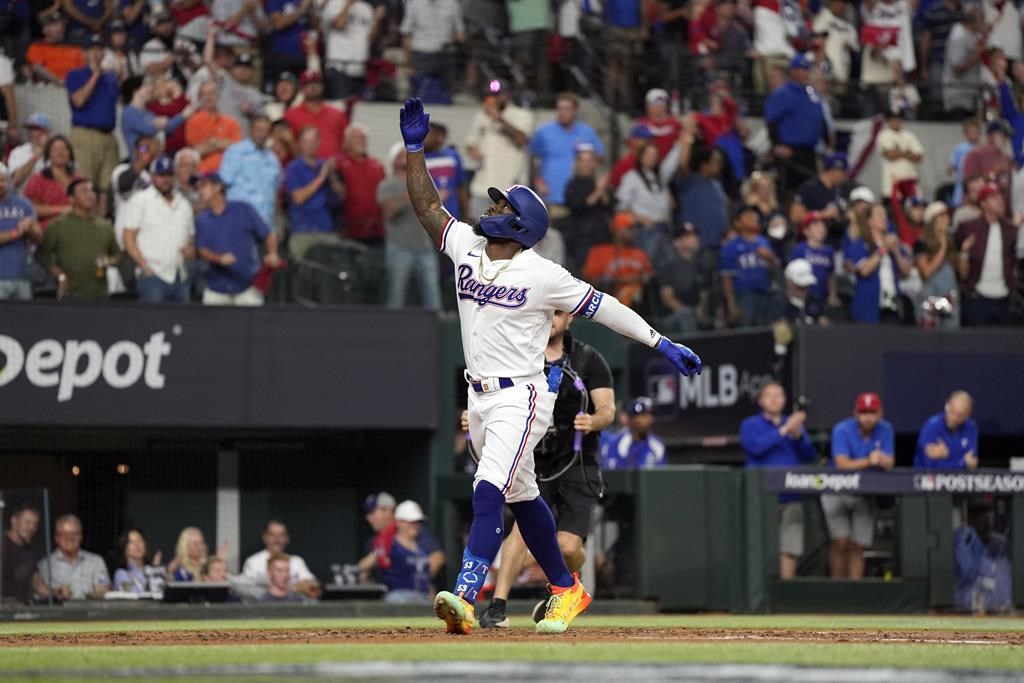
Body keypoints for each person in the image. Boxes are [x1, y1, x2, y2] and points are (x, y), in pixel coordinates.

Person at [399, 96, 701, 635]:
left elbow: (606, 308)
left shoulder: (544, 274)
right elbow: (427, 209)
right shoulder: (467, 246)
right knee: (523, 495)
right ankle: (566, 589)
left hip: (523, 395)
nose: (489, 208)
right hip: (480, 394)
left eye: (500, 206)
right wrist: (415, 150)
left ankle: (467, 592)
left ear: (517, 225)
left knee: (487, 486)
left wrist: (660, 342)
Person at [478, 310, 614, 628]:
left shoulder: (589, 359)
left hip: (578, 462)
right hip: (533, 459)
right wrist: (477, 416)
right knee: (519, 532)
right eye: (547, 311)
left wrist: (594, 420)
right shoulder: (519, 355)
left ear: (570, 319)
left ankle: (566, 584)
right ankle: (498, 606)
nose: (552, 318)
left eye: (559, 313)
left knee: (569, 546)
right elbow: (494, 395)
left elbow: (607, 408)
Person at [740, 382, 816, 579]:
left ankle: (785, 593)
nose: (774, 399)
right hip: (760, 496)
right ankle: (757, 594)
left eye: (779, 395)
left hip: (790, 494)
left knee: (789, 546)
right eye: (769, 395)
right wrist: (783, 430)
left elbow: (809, 456)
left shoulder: (793, 425)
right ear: (761, 400)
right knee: (758, 547)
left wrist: (798, 436)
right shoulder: (751, 424)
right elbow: (755, 448)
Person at [822, 392, 894, 580]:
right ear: (856, 413)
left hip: (864, 492)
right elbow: (842, 464)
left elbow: (889, 461)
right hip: (836, 489)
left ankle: (855, 591)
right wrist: (870, 460)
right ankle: (837, 591)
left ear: (879, 414)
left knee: (858, 545)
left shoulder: (886, 429)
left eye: (872, 412)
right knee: (841, 542)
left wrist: (882, 460)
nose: (868, 417)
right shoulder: (842, 429)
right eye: (863, 412)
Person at [195, 172, 280, 305]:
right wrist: (219, 259)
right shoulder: (202, 220)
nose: (200, 191)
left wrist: (272, 253)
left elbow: (268, 234)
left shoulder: (243, 210)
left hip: (248, 287)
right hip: (216, 288)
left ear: (217, 187)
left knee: (254, 325)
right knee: (212, 325)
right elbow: (202, 251)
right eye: (198, 187)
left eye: (203, 186)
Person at [122, 155, 195, 303]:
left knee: (181, 324)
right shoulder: (141, 200)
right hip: (153, 275)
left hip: (180, 274)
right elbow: (128, 237)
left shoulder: (183, 203)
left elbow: (190, 237)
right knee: (153, 325)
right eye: (161, 175)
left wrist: (190, 250)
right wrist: (144, 265)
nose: (165, 179)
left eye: (169, 175)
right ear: (152, 176)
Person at [35, 179, 119, 301]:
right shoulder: (57, 225)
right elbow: (41, 255)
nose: (90, 195)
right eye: (84, 191)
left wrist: (109, 260)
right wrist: (60, 275)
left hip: (100, 293)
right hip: (70, 294)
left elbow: (118, 255)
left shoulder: (105, 227)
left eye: (92, 191)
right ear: (71, 199)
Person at [379, 144, 440, 310]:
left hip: (425, 246)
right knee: (397, 295)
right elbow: (388, 212)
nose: (405, 157)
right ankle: (393, 332)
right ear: (393, 160)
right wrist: (408, 196)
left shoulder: (423, 182)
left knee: (432, 295)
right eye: (400, 155)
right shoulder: (388, 184)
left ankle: (436, 331)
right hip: (400, 247)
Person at [66, 34, 121, 219]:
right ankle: (85, 223)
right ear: (85, 53)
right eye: (92, 50)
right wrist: (96, 74)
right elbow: (79, 100)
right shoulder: (75, 74)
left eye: (99, 50)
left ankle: (101, 223)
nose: (97, 54)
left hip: (108, 135)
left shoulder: (111, 78)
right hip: (85, 133)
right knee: (85, 183)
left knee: (106, 186)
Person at [464, 80, 534, 219]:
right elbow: (470, 143)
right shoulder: (481, 116)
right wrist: (474, 151)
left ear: (507, 95)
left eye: (498, 94)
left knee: (507, 232)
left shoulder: (522, 115)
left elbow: (522, 139)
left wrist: (498, 118)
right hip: (482, 184)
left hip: (509, 186)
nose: (494, 98)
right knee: (479, 230)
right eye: (491, 95)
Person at [528, 92, 604, 213]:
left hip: (580, 197)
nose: (562, 112)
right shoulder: (544, 132)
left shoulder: (587, 132)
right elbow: (531, 157)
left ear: (575, 111)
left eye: (566, 109)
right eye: (559, 109)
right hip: (552, 196)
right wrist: (537, 181)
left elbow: (600, 158)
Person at [764, 55, 827, 199]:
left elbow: (820, 121)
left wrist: (827, 143)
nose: (805, 73)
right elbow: (771, 121)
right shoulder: (782, 93)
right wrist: (777, 144)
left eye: (806, 70)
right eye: (801, 70)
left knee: (810, 191)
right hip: (790, 152)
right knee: (789, 192)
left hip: (810, 151)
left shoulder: (812, 94)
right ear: (793, 71)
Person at [954, 184, 1015, 326]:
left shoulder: (1010, 230)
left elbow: (1013, 260)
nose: (1000, 200)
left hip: (1004, 298)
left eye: (1000, 196)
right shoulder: (968, 227)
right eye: (994, 197)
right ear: (983, 203)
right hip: (978, 298)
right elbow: (958, 262)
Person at [844, 202, 912, 324]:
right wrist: (883, 248)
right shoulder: (860, 244)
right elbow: (864, 271)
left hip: (892, 306)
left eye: (885, 215)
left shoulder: (893, 244)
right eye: (880, 215)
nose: (884, 218)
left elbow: (906, 271)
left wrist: (896, 251)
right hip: (868, 306)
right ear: (870, 221)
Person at [284, 127, 345, 259]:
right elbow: (298, 198)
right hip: (303, 232)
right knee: (301, 275)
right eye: (306, 141)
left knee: (329, 275)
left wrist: (333, 176)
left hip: (327, 231)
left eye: (313, 141)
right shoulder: (293, 168)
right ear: (299, 143)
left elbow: (341, 195)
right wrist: (321, 178)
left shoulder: (325, 165)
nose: (310, 145)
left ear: (318, 143)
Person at [720, 204, 781, 328]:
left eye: (754, 215)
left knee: (766, 333)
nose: (753, 217)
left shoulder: (764, 242)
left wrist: (771, 258)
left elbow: (776, 268)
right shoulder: (731, 246)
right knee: (747, 334)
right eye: (747, 215)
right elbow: (726, 277)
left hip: (765, 293)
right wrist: (731, 304)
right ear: (737, 223)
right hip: (743, 296)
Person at [614, 140, 677, 258]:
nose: (651, 158)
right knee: (648, 265)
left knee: (667, 266)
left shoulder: (660, 178)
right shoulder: (631, 177)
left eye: (654, 155)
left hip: (665, 228)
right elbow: (621, 205)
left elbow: (672, 164)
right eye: (648, 155)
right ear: (640, 157)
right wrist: (638, 218)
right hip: (645, 230)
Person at [374, 500, 445, 604]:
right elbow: (374, 559)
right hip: (398, 596)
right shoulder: (390, 544)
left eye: (417, 522)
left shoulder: (421, 547)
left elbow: (425, 575)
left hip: (422, 596)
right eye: (411, 522)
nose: (415, 525)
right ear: (399, 522)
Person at [219, 114, 282, 229]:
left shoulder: (273, 159)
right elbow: (222, 184)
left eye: (266, 131)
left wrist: (275, 224)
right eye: (259, 130)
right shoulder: (236, 152)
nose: (262, 134)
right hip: (240, 222)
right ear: (251, 130)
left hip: (265, 223)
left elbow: (275, 192)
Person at [581, 212, 654, 309]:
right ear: (617, 230)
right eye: (629, 229)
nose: (633, 232)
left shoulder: (640, 253)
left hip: (639, 302)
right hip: (607, 298)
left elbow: (649, 276)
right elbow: (591, 280)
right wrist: (621, 280)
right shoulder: (599, 251)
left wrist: (639, 279)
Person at [31, 514, 110, 600]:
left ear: (81, 537)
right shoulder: (44, 566)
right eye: (64, 534)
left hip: (89, 611)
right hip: (59, 612)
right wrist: (57, 593)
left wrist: (99, 592)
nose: (69, 537)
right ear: (56, 538)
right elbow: (41, 597)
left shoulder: (96, 562)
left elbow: (103, 590)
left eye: (74, 533)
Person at [399, 0, 464, 102]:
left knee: (419, 96)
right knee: (442, 95)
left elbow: (406, 34)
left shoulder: (414, 3)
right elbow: (460, 36)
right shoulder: (452, 4)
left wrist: (408, 62)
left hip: (425, 55)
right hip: (437, 55)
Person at [954, 499, 1012, 612]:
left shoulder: (999, 542)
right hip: (965, 604)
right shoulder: (962, 539)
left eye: (990, 518)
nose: (988, 523)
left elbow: (1003, 576)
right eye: (983, 518)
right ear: (971, 519)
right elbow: (965, 572)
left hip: (998, 605)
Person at [563, 145, 611, 270]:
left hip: (601, 235)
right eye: (583, 161)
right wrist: (598, 191)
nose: (586, 165)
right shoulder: (573, 184)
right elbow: (578, 206)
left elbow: (609, 206)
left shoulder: (597, 183)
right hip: (582, 237)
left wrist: (603, 192)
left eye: (590, 161)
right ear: (577, 164)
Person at [241, 520, 319, 597]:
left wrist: (281, 587)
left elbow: (313, 588)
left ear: (287, 539)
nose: (277, 539)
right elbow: (248, 589)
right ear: (265, 537)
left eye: (281, 535)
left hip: (293, 606)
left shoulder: (297, 561)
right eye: (272, 535)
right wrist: (293, 586)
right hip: (263, 607)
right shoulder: (253, 561)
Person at [335, 123, 385, 245]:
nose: (361, 141)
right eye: (356, 138)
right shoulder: (338, 164)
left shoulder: (376, 165)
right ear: (346, 142)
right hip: (350, 229)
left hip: (377, 229)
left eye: (363, 138)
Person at [913, 202, 960, 329]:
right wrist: (943, 247)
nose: (946, 220)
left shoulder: (951, 242)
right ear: (932, 220)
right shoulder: (921, 244)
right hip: (930, 300)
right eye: (942, 216)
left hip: (949, 298)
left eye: (947, 216)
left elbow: (959, 271)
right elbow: (927, 272)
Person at [322, 0, 382, 100]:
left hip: (360, 67)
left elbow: (371, 38)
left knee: (358, 110)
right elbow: (339, 24)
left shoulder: (366, 7)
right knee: (340, 105)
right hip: (339, 66)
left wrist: (377, 19)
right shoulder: (333, 4)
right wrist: (348, 4)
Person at [284, 71, 350, 160]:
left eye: (316, 83)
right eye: (308, 84)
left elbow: (346, 144)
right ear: (302, 88)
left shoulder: (337, 114)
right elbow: (286, 146)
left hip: (333, 168)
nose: (313, 87)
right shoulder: (290, 115)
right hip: (303, 169)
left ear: (322, 86)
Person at [0, 165, 42, 301]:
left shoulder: (23, 204)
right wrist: (16, 233)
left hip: (22, 276)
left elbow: (39, 238)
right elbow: (16, 233)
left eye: (2, 180)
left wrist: (30, 229)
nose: (0, 184)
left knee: (24, 320)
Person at [120, 75, 188, 155]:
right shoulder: (129, 113)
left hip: (155, 156)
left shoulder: (147, 112)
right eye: (145, 86)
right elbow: (148, 129)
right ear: (136, 91)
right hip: (141, 155)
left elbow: (168, 128)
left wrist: (182, 116)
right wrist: (157, 125)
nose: (150, 89)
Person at [185, 80, 243, 174]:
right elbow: (196, 152)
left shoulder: (231, 122)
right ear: (200, 98)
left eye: (212, 93)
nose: (208, 97)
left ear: (218, 96)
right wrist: (223, 143)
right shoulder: (193, 121)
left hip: (230, 171)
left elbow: (238, 148)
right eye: (204, 94)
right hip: (204, 172)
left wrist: (214, 143)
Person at [790, 153, 849, 243]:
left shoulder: (839, 190)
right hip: (813, 244)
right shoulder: (810, 188)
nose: (845, 176)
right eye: (843, 172)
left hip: (836, 241)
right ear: (834, 171)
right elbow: (795, 216)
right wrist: (822, 214)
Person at [24, 135, 79, 231]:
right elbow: (30, 208)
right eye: (55, 149)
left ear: (70, 154)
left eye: (64, 149)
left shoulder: (78, 179)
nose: (60, 152)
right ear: (48, 154)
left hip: (76, 229)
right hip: (47, 230)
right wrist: (60, 210)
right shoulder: (38, 179)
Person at [657, 226, 706, 333]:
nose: (695, 239)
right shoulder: (668, 265)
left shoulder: (700, 263)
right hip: (671, 316)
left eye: (694, 235)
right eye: (688, 236)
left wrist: (700, 309)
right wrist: (687, 312)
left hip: (695, 314)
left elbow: (702, 292)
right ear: (677, 242)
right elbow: (667, 299)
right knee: (686, 315)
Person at [914, 390, 978, 470]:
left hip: (959, 479)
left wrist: (948, 458)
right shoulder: (932, 426)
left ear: (968, 414)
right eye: (952, 412)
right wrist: (962, 463)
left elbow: (971, 461)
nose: (954, 418)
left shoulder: (971, 427)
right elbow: (930, 464)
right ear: (947, 406)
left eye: (959, 415)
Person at [599, 397, 666, 470]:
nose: (648, 419)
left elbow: (661, 476)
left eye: (650, 415)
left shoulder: (657, 444)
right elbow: (612, 474)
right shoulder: (616, 443)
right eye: (643, 415)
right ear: (631, 419)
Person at [942, 5, 983, 118]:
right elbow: (957, 68)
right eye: (981, 19)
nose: (983, 22)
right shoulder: (958, 36)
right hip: (957, 96)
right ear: (972, 21)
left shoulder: (973, 34)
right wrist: (976, 54)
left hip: (969, 94)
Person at [790, 212, 836, 309]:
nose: (821, 228)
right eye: (816, 225)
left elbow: (830, 275)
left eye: (823, 225)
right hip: (803, 298)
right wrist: (793, 296)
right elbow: (791, 275)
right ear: (806, 231)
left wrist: (832, 295)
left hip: (823, 297)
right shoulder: (799, 250)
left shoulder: (829, 251)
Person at [423, 121, 467, 222]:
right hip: (428, 216)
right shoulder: (419, 158)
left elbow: (461, 185)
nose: (422, 138)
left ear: (440, 137)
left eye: (427, 134)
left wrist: (466, 212)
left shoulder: (453, 156)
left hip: (452, 214)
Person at [263, 0, 314, 87]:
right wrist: (302, 9)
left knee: (301, 93)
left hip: (303, 55)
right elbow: (278, 24)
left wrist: (310, 12)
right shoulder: (275, 1)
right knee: (281, 89)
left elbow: (315, 26)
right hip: (281, 54)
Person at [876, 107, 923, 201]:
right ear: (888, 121)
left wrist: (899, 152)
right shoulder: (884, 135)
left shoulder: (909, 135)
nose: (896, 122)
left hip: (910, 182)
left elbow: (919, 156)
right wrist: (908, 152)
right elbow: (890, 155)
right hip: (892, 184)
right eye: (893, 119)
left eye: (898, 119)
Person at [26, 12, 85, 85]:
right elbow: (36, 68)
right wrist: (57, 80)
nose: (61, 28)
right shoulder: (37, 47)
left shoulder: (74, 47)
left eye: (61, 24)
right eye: (55, 24)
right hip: (47, 88)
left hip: (74, 88)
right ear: (45, 29)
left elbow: (82, 70)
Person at [2, 506, 40, 603]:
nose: (32, 528)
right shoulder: (2, 545)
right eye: (27, 522)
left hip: (22, 609)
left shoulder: (29, 550)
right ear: (14, 521)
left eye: (35, 524)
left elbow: (36, 582)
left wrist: (55, 594)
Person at [8, 112, 53, 193]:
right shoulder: (18, 152)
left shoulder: (56, 152)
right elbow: (15, 181)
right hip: (23, 199)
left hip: (50, 199)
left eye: (35, 129)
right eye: (29, 128)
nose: (30, 132)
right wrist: (36, 156)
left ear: (48, 132)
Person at [112, 529, 165, 594]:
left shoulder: (153, 570)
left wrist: (156, 570)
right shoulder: (121, 574)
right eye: (131, 542)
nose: (137, 545)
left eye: (140, 540)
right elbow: (133, 597)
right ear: (124, 548)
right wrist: (155, 573)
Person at [636, 88, 683, 159]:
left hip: (670, 160)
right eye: (655, 102)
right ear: (648, 105)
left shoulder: (674, 123)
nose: (659, 106)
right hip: (649, 160)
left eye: (662, 102)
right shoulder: (642, 124)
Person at [948, 118, 980, 208]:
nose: (974, 134)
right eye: (971, 132)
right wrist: (952, 170)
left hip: (978, 186)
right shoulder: (959, 148)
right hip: (961, 187)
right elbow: (951, 167)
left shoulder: (981, 149)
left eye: (976, 132)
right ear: (965, 133)